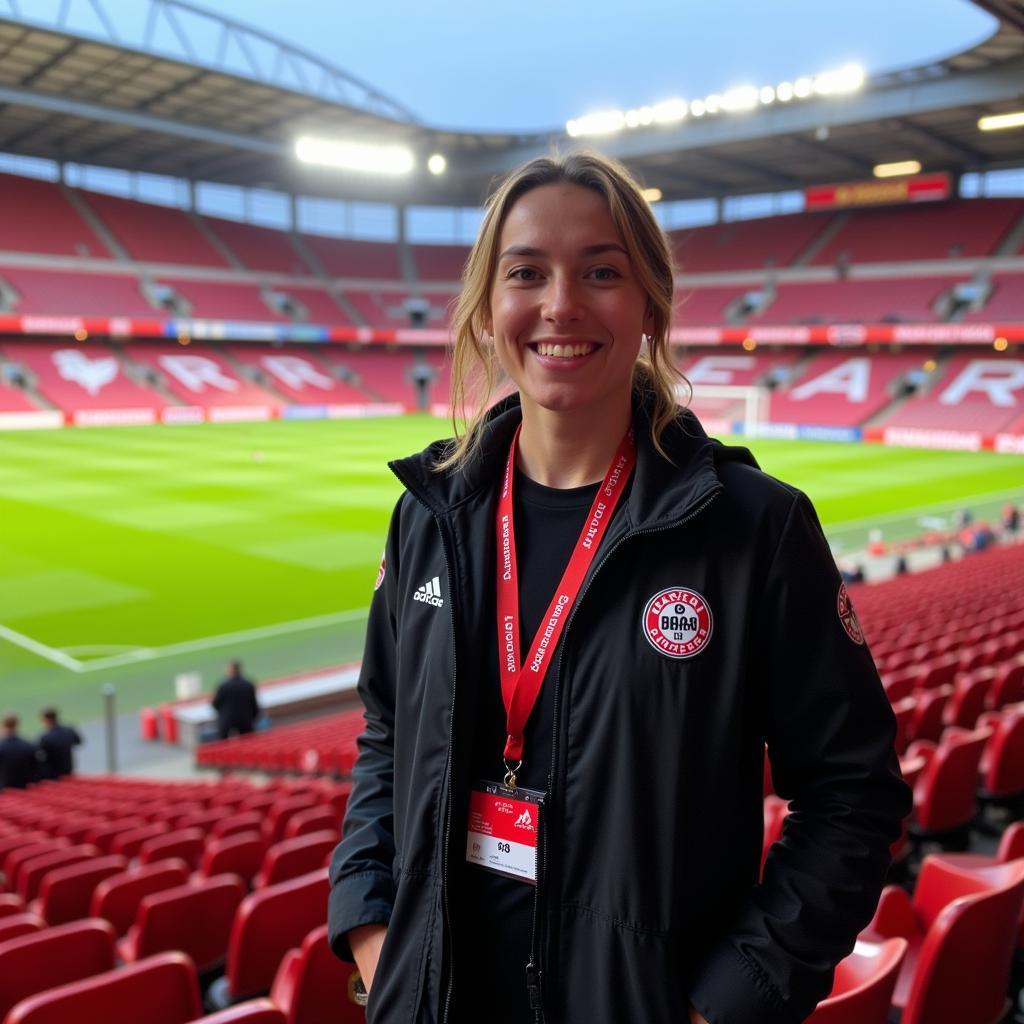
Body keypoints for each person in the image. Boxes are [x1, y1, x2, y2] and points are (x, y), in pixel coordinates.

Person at [327, 153, 910, 1024]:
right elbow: (387, 733)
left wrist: (726, 1001)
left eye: (602, 271)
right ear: (489, 307)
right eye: (527, 273)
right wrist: (375, 933)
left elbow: (851, 795)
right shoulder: (429, 517)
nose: (561, 304)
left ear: (649, 304)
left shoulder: (755, 528)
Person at [211, 660, 260, 740]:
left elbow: (215, 704)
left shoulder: (223, 686)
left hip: (226, 722)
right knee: (248, 743)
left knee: (223, 746)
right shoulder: (248, 685)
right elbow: (254, 705)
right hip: (246, 720)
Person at [37, 707, 82, 779]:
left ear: (46, 720)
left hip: (53, 773)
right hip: (68, 768)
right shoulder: (69, 730)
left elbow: (38, 753)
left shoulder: (46, 737)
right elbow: (79, 742)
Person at [0, 714, 40, 790]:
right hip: (24, 787)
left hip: (3, 790)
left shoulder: (1, 746)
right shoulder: (28, 745)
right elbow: (35, 770)